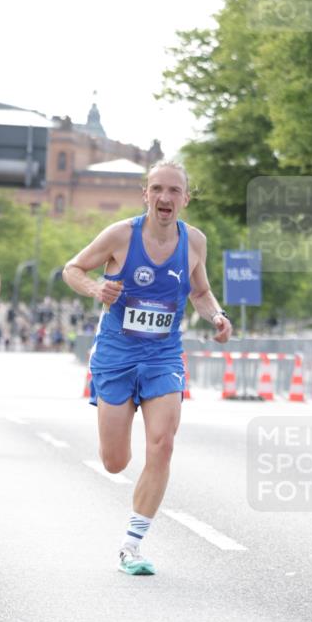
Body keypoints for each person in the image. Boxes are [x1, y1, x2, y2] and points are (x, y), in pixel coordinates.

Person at [63, 160, 232, 576]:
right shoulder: (121, 235)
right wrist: (95, 287)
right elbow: (72, 269)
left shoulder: (194, 241)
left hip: (163, 356)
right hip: (116, 356)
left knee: (162, 444)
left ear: (185, 198)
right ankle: (117, 447)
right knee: (115, 461)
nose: (164, 197)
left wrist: (217, 315)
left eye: (174, 190)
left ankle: (131, 545)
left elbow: (201, 292)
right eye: (157, 189)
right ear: (145, 195)